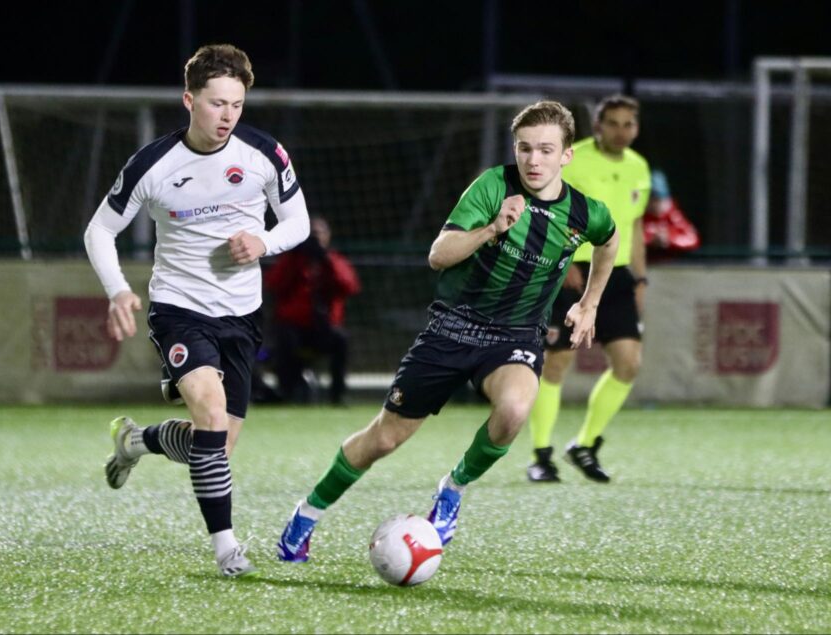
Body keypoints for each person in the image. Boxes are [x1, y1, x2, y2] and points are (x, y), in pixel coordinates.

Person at [276, 101, 618, 562]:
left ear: (566, 156)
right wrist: (493, 228)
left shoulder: (583, 211)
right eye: (524, 149)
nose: (533, 160)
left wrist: (589, 302)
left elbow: (609, 238)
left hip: (515, 335)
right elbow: (439, 254)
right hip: (453, 328)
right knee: (385, 438)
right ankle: (308, 513)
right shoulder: (492, 186)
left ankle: (452, 489)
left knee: (515, 409)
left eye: (545, 150)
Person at [83, 44, 310, 577]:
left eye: (236, 103)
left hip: (242, 315)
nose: (228, 115)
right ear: (189, 100)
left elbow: (297, 221)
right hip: (179, 310)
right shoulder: (153, 164)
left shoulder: (264, 153)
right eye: (216, 103)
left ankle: (137, 440)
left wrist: (264, 242)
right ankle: (227, 547)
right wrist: (118, 290)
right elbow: (99, 230)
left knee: (217, 445)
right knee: (208, 416)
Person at [525, 95, 650, 484]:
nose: (620, 130)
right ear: (597, 126)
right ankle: (541, 455)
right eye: (612, 123)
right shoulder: (572, 159)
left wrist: (641, 279)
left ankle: (585, 444)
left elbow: (637, 227)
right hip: (573, 270)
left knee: (628, 364)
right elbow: (544, 213)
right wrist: (560, 268)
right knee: (558, 362)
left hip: (617, 275)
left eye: (628, 123)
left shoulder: (639, 167)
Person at [264, 215, 361, 404]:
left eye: (319, 234)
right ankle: (287, 393)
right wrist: (295, 258)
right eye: (311, 234)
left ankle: (338, 395)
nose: (315, 238)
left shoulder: (334, 260)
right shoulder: (292, 260)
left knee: (341, 340)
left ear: (328, 236)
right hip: (294, 328)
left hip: (324, 329)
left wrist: (326, 261)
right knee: (284, 338)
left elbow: (350, 286)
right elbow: (273, 285)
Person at [642, 169, 699, 262]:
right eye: (651, 199)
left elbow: (692, 239)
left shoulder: (673, 215)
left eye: (659, 199)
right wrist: (651, 239)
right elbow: (627, 240)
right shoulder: (638, 215)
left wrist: (669, 238)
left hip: (671, 268)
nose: (655, 204)